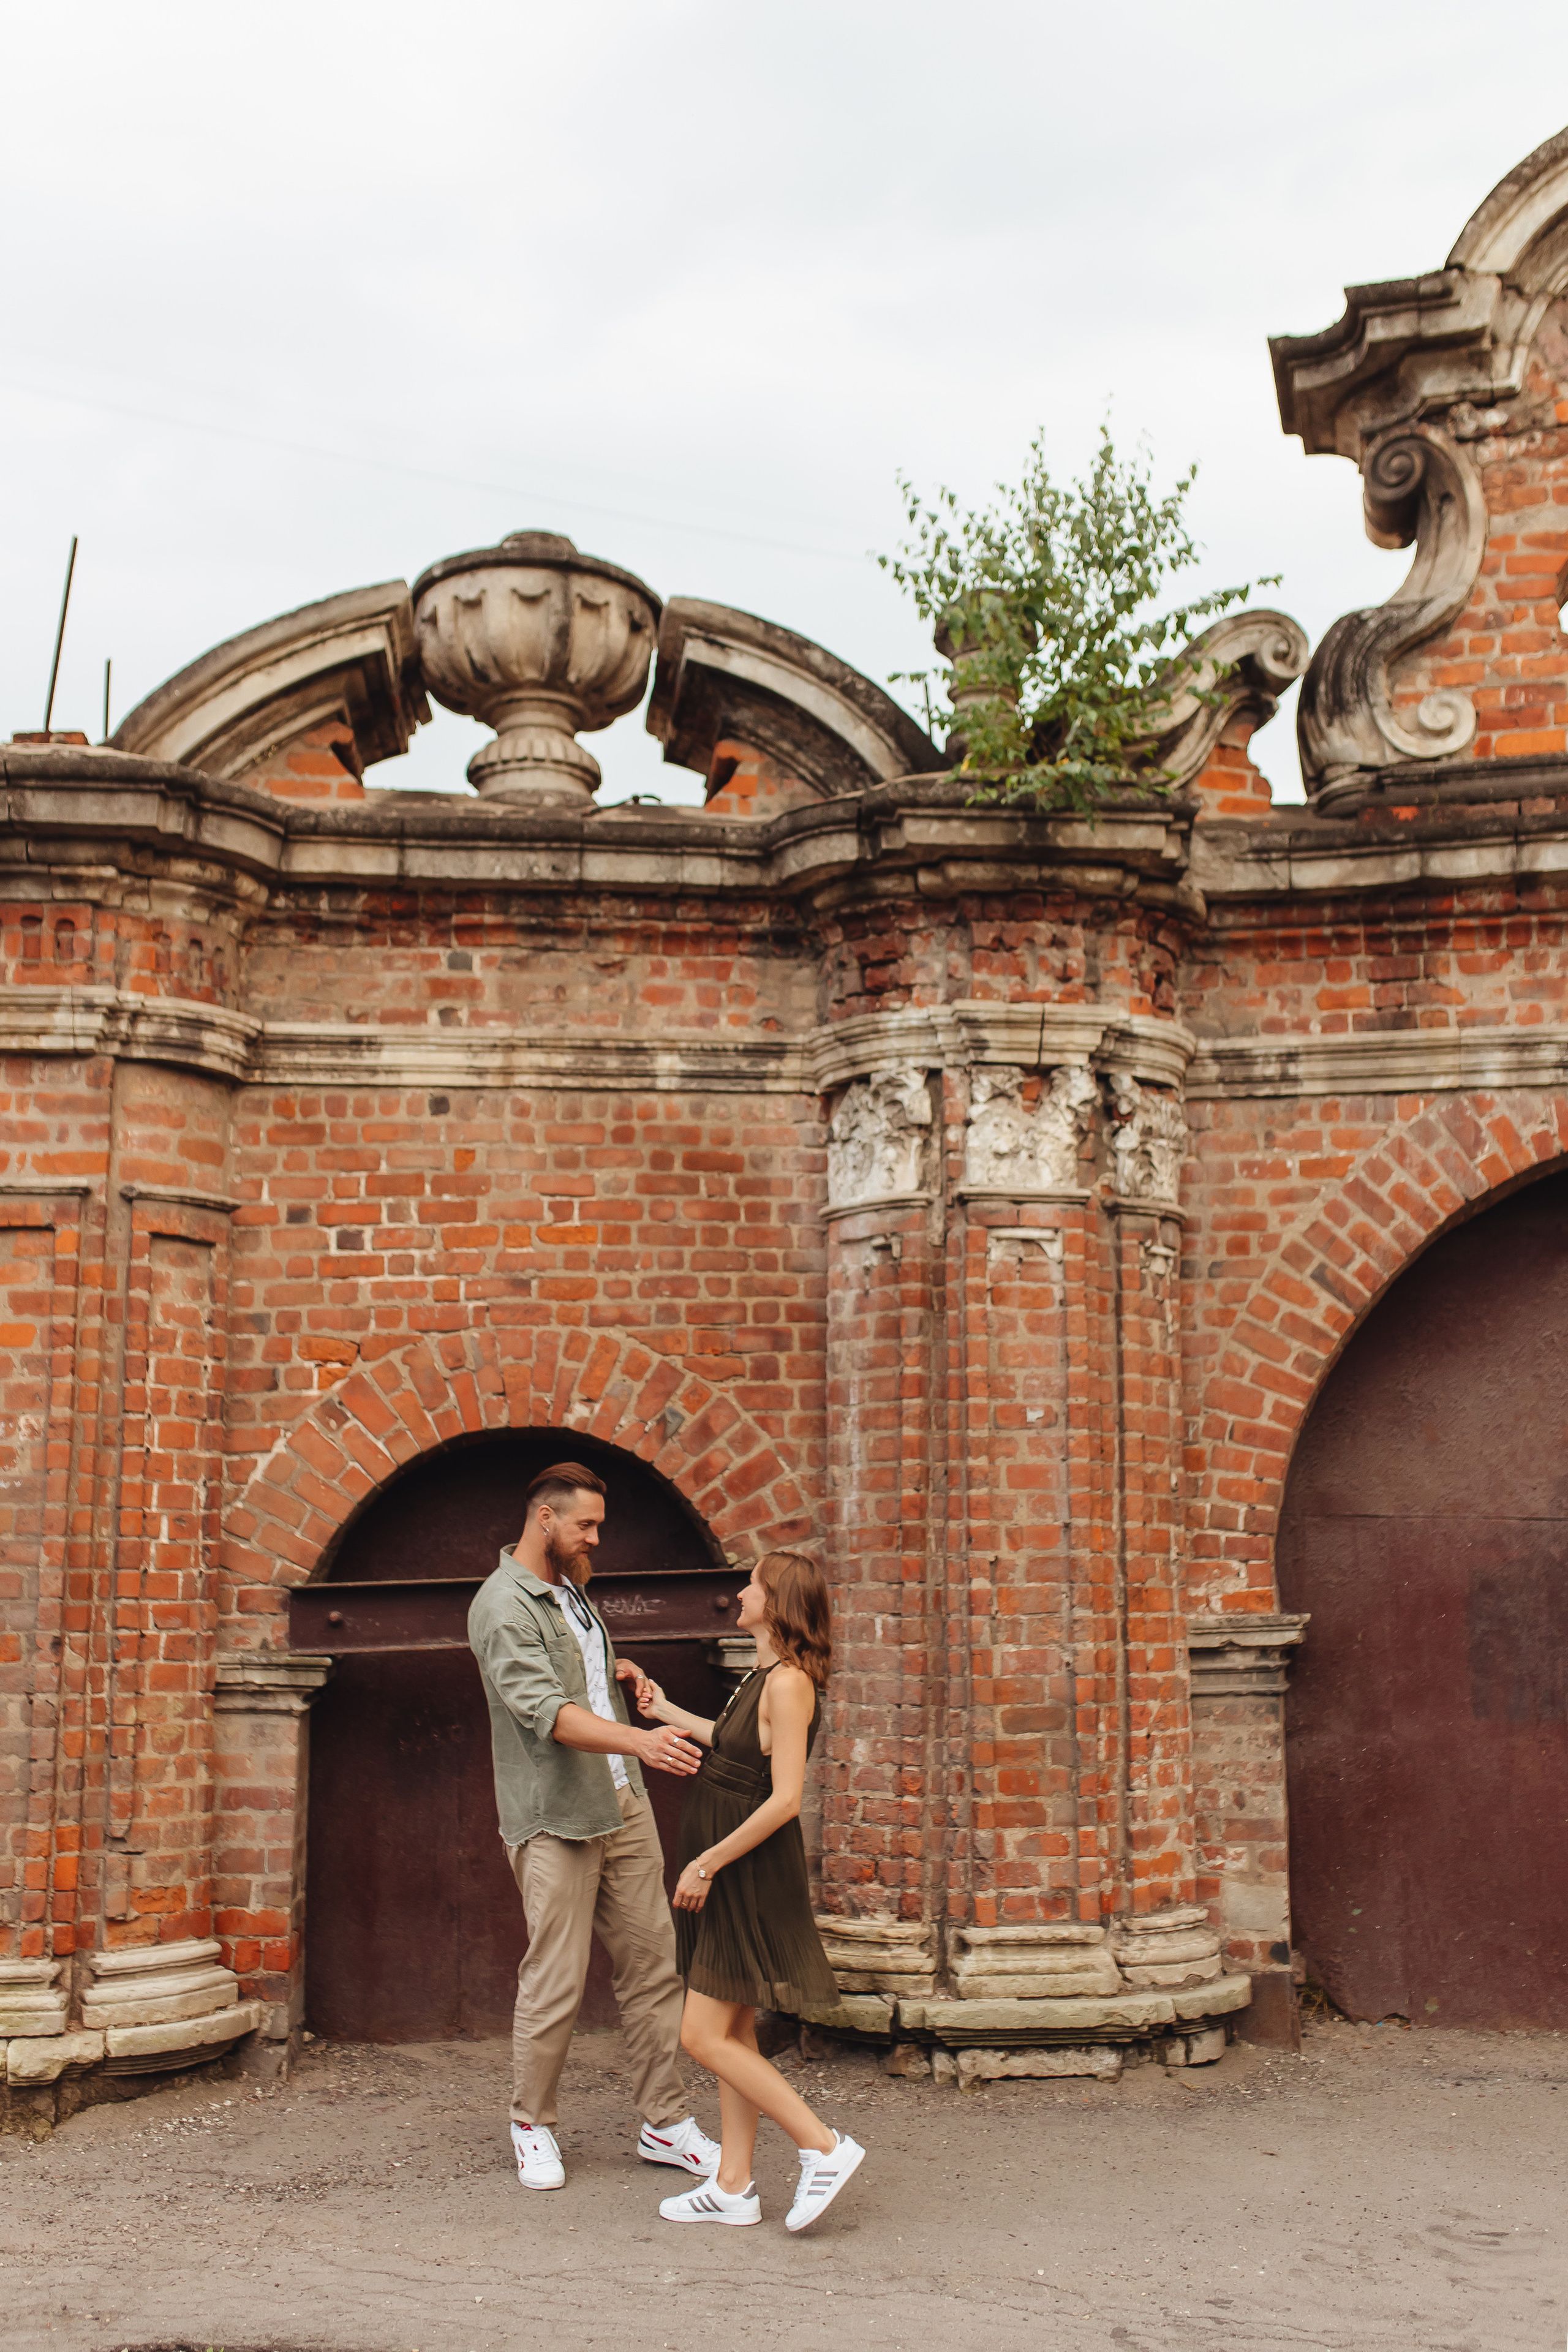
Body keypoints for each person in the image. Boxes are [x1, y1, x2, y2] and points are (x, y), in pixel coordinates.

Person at [467, 1461, 720, 2193]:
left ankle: (664, 2123)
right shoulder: (501, 1606)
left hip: (622, 1804)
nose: (595, 1538)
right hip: (557, 1819)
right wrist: (640, 1740)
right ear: (544, 1519)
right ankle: (532, 2124)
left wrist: (618, 1671)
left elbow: (572, 1677)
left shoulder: (571, 1588)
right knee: (555, 1978)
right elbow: (543, 1711)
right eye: (586, 1524)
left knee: (652, 1967)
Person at [636, 1548, 867, 2233]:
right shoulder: (760, 1676)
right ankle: (732, 2186)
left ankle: (823, 2146)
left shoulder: (790, 1682)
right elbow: (735, 1748)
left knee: (702, 2036)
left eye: (751, 1585)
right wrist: (666, 1708)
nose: (739, 1594)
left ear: (776, 1602)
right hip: (728, 1864)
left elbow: (786, 1798)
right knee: (735, 2030)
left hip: (744, 1871)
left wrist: (706, 1863)